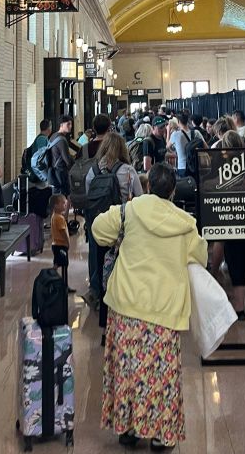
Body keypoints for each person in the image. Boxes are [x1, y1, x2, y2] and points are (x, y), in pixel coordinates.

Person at [92, 163, 207, 449]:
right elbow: (201, 259)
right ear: (172, 190)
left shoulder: (129, 211)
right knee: (161, 377)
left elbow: (97, 230)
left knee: (127, 369)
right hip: (164, 311)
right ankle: (160, 435)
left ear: (148, 185)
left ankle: (128, 428)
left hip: (127, 305)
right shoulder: (184, 224)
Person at [85, 131, 143, 317]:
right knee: (121, 259)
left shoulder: (92, 171)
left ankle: (97, 294)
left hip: (98, 224)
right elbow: (140, 198)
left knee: (97, 257)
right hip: (121, 224)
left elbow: (89, 196)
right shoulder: (127, 170)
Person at [48, 115, 75, 198]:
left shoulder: (53, 136)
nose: (70, 126)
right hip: (61, 173)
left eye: (71, 124)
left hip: (53, 172)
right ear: (61, 125)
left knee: (56, 199)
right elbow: (67, 160)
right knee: (63, 198)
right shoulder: (62, 140)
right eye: (68, 124)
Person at [168, 113, 198, 178]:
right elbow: (206, 147)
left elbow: (167, 146)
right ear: (187, 121)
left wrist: (168, 131)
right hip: (195, 165)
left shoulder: (175, 134)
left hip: (182, 166)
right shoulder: (196, 132)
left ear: (178, 122)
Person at [50, 193, 71, 281]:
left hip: (56, 245)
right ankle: (63, 283)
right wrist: (68, 242)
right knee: (63, 264)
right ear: (56, 206)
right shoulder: (59, 218)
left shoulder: (55, 216)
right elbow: (63, 232)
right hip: (61, 245)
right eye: (63, 203)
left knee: (58, 263)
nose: (65, 205)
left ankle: (59, 281)